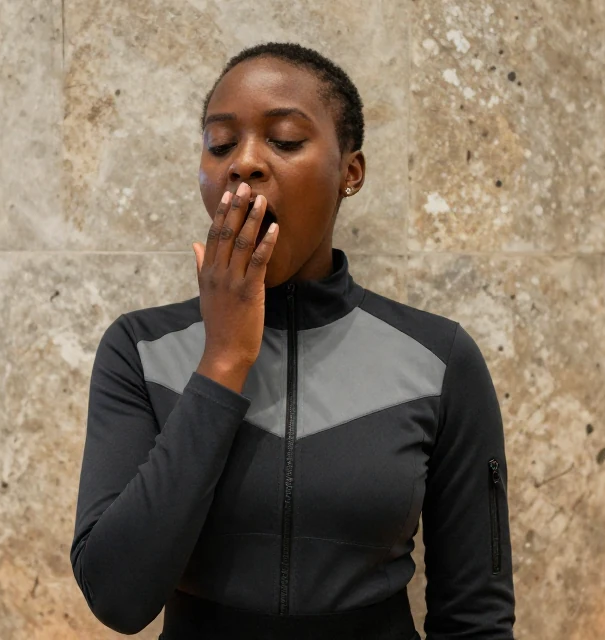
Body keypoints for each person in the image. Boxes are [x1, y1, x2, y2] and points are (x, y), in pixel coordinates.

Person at [71, 43, 514, 639]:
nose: (244, 163)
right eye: (220, 144)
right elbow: (116, 598)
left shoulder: (439, 360)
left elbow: (475, 619)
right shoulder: (140, 349)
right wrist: (223, 359)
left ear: (350, 173)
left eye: (283, 139)